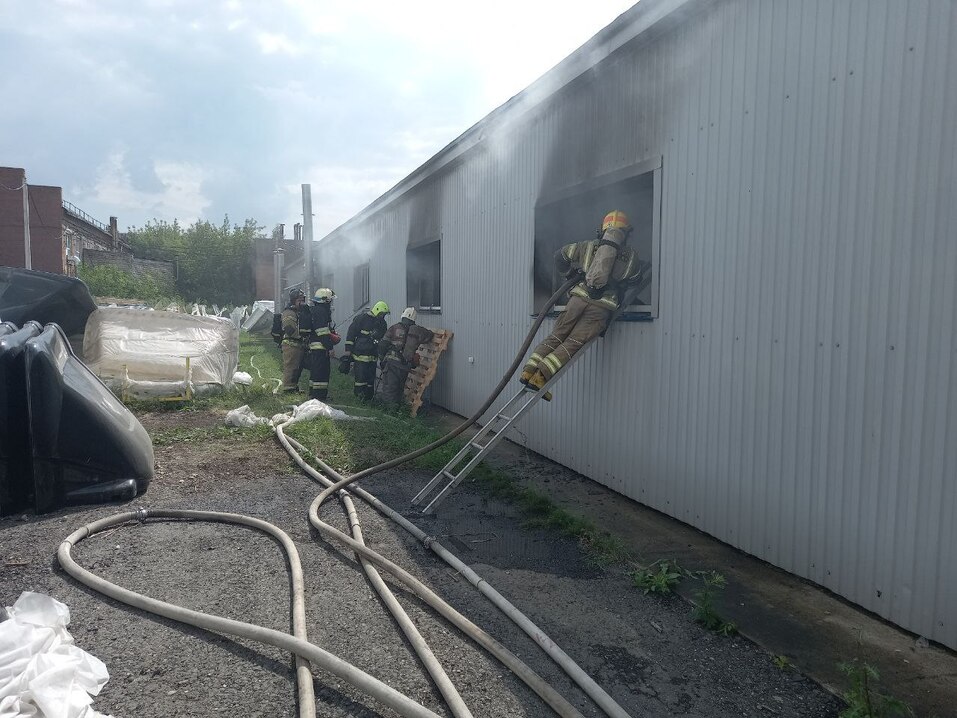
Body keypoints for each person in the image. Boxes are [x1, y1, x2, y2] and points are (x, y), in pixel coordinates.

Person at [520, 210, 643, 398]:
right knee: (573, 342)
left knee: (557, 335)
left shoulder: (587, 246)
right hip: (600, 308)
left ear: (602, 230)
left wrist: (570, 275)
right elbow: (635, 281)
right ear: (626, 233)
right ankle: (540, 378)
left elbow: (558, 257)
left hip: (576, 300)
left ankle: (529, 370)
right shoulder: (632, 258)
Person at [376, 307, 434, 406]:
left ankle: (389, 412)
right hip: (404, 365)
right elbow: (430, 335)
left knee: (389, 388)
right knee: (399, 388)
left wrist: (382, 360)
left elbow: (382, 345)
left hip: (391, 364)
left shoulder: (394, 328)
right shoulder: (417, 330)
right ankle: (396, 409)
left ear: (403, 316)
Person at [339, 300, 389, 400]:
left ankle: (369, 398)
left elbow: (383, 339)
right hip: (360, 355)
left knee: (371, 379)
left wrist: (382, 355)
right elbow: (351, 334)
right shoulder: (362, 318)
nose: (383, 316)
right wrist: (348, 351)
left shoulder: (383, 323)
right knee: (361, 378)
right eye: (382, 314)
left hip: (373, 356)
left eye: (384, 314)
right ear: (377, 310)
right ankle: (359, 397)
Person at [306, 288, 340, 401]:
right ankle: (319, 397)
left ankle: (313, 394)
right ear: (325, 301)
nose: (330, 304)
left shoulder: (314, 310)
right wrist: (330, 347)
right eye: (330, 301)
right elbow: (322, 333)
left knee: (315, 372)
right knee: (322, 373)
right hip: (321, 348)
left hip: (314, 347)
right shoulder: (321, 312)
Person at [280, 288, 313, 393]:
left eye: (303, 300)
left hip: (298, 344)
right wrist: (301, 336)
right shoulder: (288, 312)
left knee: (297, 368)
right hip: (290, 344)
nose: (302, 303)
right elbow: (289, 329)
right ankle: (288, 389)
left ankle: (293, 386)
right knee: (291, 367)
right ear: (293, 300)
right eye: (299, 300)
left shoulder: (299, 312)